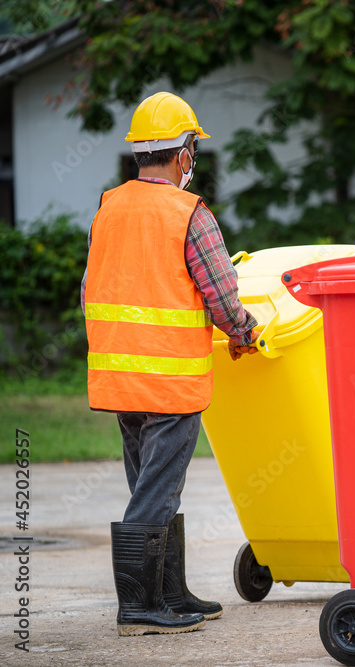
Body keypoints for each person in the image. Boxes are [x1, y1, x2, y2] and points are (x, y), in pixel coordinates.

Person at [81, 91, 260, 636]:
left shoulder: (109, 208)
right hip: (170, 380)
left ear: (140, 152)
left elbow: (90, 289)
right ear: (184, 152)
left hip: (121, 379)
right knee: (158, 489)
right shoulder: (190, 214)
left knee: (151, 485)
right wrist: (246, 334)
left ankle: (169, 593)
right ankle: (138, 607)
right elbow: (222, 296)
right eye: (192, 150)